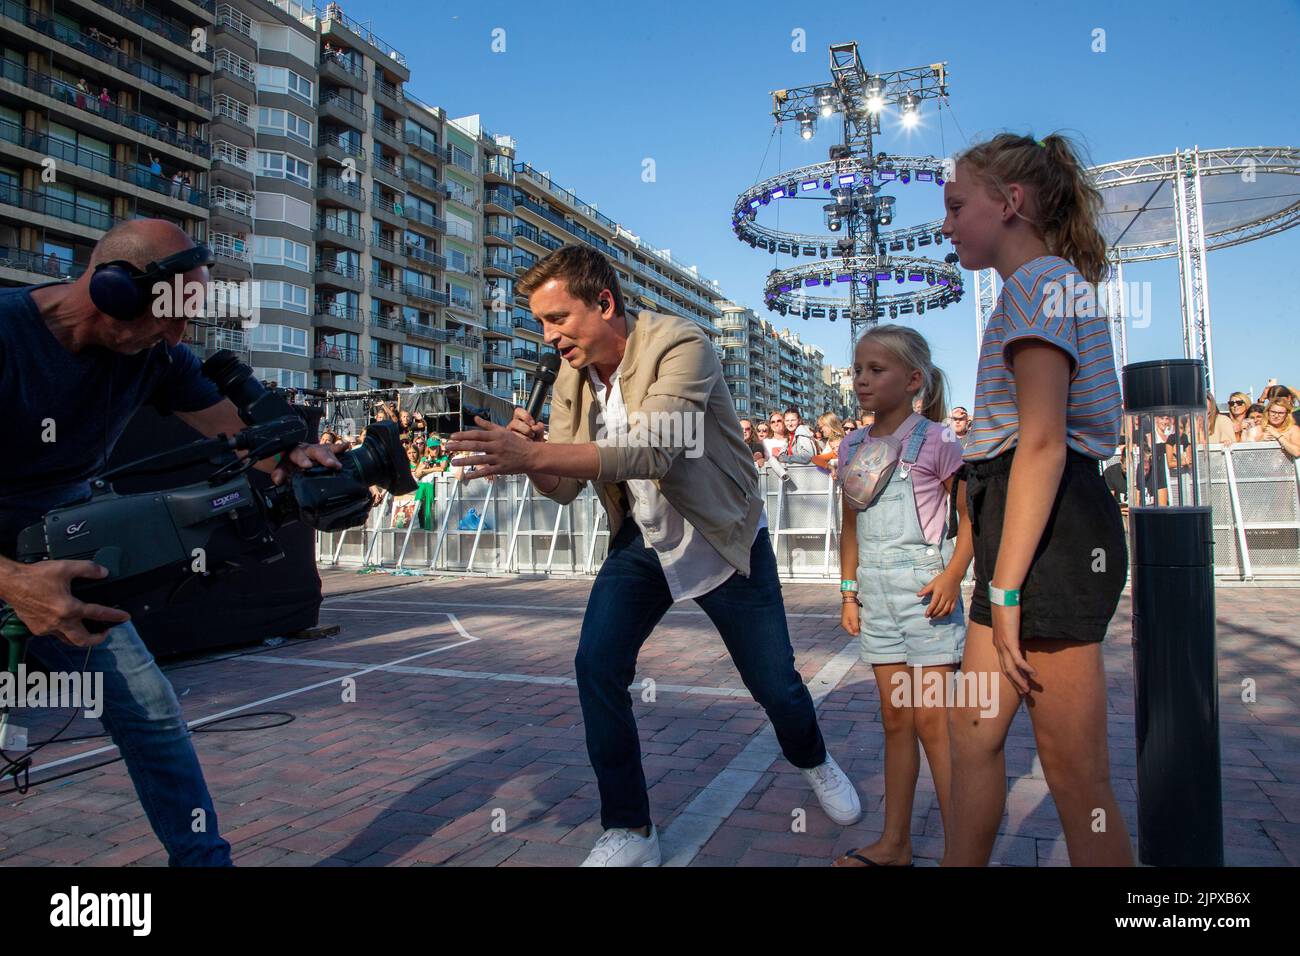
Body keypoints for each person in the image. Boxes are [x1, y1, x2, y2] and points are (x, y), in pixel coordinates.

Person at [445, 245, 861, 866]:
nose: (547, 335)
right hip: (641, 540)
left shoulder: (680, 343)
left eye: (556, 318)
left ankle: (813, 759)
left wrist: (534, 456)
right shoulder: (567, 379)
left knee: (774, 683)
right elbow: (560, 491)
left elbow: (653, 451)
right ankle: (631, 831)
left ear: (604, 303)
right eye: (540, 322)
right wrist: (529, 456)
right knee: (596, 665)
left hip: (720, 533)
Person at [0, 220, 347, 865]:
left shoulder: (152, 353)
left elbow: (235, 431)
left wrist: (292, 455)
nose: (179, 337)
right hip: (11, 572)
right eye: (169, 317)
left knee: (151, 714)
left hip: (60, 557)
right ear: (115, 290)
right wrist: (13, 583)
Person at [942, 132, 1133, 866]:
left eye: (959, 205)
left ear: (1010, 201)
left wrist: (1009, 589)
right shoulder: (1038, 287)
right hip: (1020, 528)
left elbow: (1044, 445)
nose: (949, 224)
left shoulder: (1042, 284)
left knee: (1076, 775)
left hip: (1048, 535)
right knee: (973, 732)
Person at [833, 325, 971, 867]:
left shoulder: (939, 440)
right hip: (876, 595)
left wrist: (953, 575)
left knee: (935, 721)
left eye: (876, 370)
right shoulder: (851, 445)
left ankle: (964, 848)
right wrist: (849, 592)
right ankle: (895, 844)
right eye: (859, 369)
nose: (862, 379)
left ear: (913, 380)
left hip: (925, 593)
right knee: (896, 720)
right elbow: (849, 526)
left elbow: (972, 518)